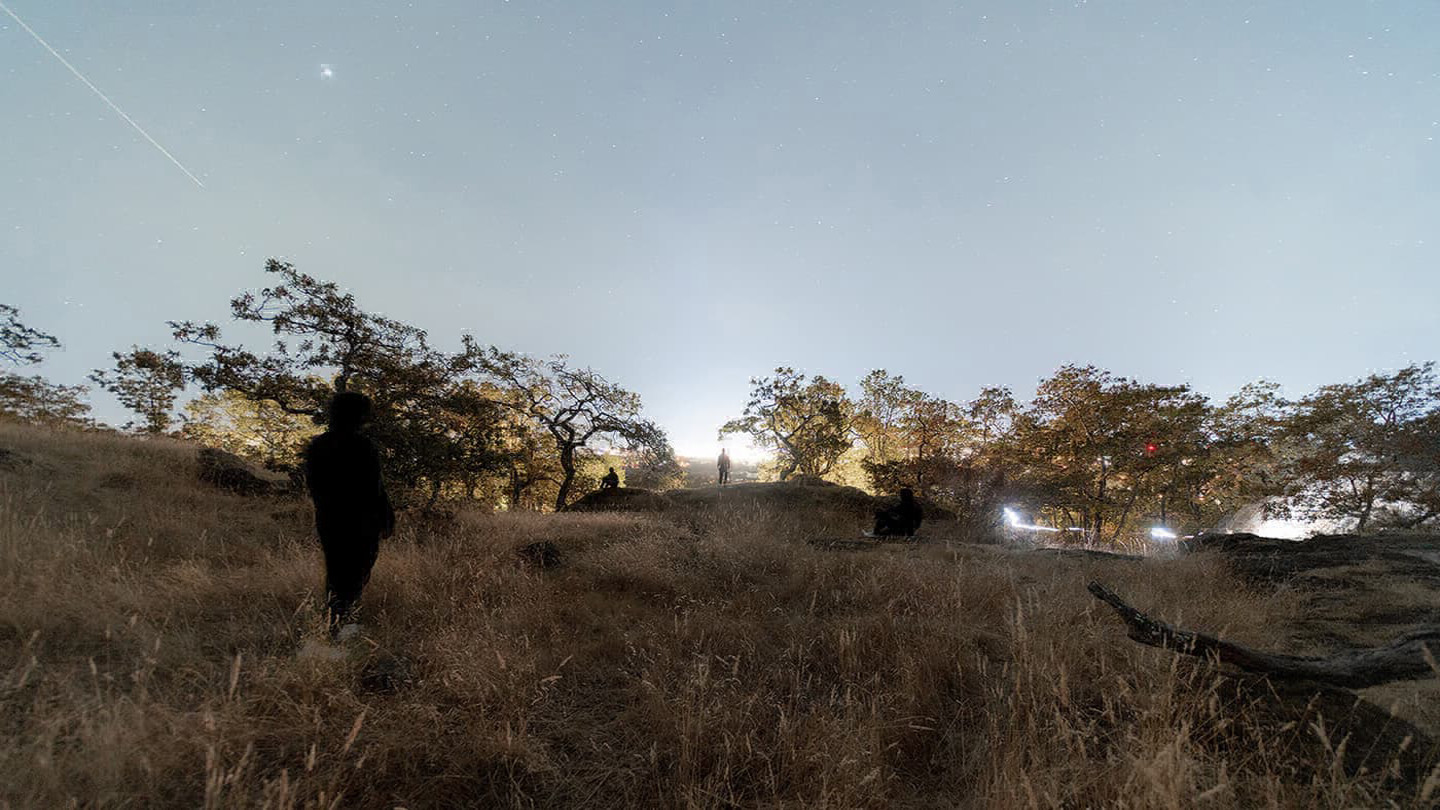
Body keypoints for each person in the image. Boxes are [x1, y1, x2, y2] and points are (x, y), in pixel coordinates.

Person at [303, 392, 394, 637]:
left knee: (336, 570)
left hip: (330, 520)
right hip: (361, 522)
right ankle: (342, 623)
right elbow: (375, 488)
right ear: (357, 415)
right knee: (356, 571)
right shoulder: (363, 446)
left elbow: (314, 486)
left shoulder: (318, 446)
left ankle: (335, 621)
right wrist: (385, 517)